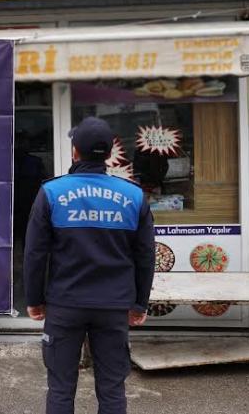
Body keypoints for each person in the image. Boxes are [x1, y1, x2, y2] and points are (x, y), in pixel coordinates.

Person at [23, 116, 155, 414]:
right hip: (113, 306)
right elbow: (146, 255)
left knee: (60, 387)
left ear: (75, 152)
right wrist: (139, 304)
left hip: (65, 304)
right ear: (109, 153)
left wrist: (34, 299)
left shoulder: (52, 192)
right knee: (112, 389)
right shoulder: (133, 195)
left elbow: (34, 253)